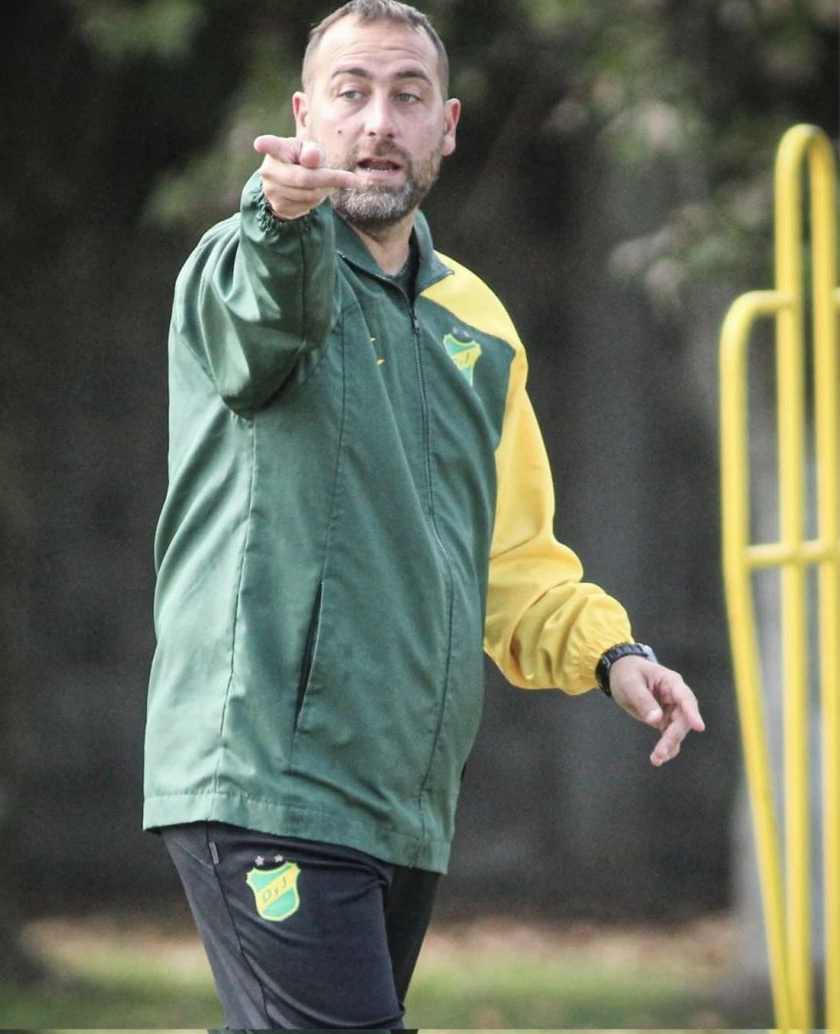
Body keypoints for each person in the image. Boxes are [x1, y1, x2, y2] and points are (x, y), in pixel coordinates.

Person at [143, 1, 706, 1028]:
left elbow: (512, 557)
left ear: (446, 127)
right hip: (267, 777)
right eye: (351, 93)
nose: (377, 121)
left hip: (402, 803)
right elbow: (265, 326)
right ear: (305, 118)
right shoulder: (249, 260)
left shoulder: (477, 320)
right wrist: (277, 217)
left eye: (407, 96)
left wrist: (611, 652)